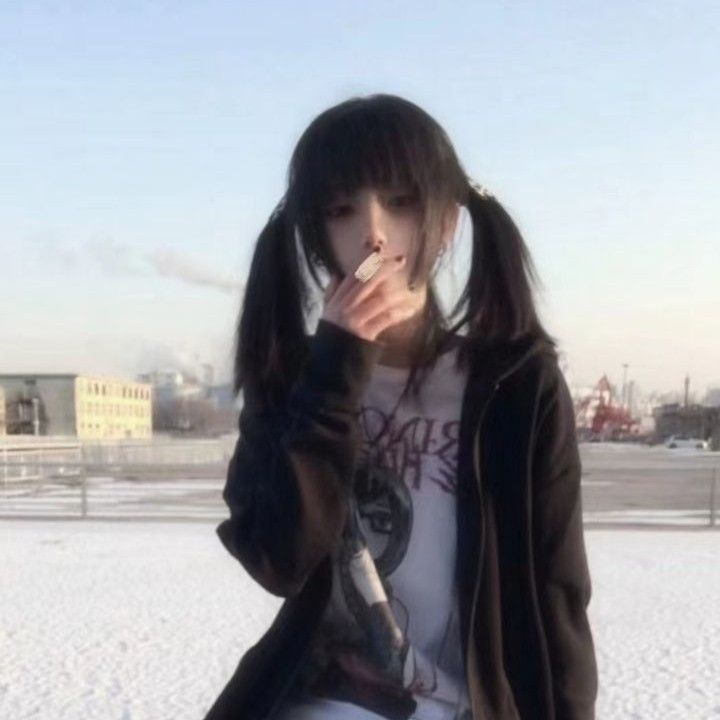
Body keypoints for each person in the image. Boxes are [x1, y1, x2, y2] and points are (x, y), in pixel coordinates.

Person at [203, 94, 598, 720]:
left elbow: (557, 588)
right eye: (340, 209)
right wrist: (333, 376)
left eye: (402, 201)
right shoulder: (293, 380)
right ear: (315, 235)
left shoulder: (517, 386)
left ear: (447, 222)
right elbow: (277, 562)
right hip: (325, 697)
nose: (374, 232)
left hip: (467, 702)